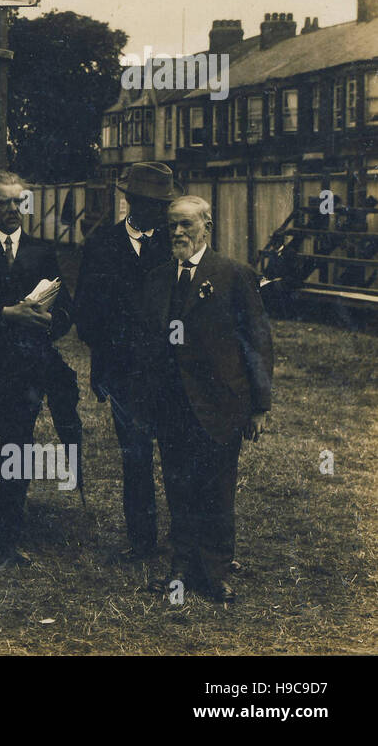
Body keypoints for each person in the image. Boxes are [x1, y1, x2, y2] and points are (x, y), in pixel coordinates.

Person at [142, 195, 272, 604]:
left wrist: (259, 405)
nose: (178, 233)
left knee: (217, 487)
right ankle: (181, 565)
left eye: (186, 225)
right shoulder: (159, 278)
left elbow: (257, 343)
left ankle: (215, 571)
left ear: (206, 226)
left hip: (220, 404)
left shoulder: (234, 276)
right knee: (178, 485)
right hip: (172, 405)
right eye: (172, 226)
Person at [0, 171, 75, 567]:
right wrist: (8, 313)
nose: (12, 209)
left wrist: (46, 322)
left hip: (25, 374)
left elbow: (66, 313)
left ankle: (7, 544)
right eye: (3, 202)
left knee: (16, 458)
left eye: (18, 202)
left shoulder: (42, 253)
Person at [74, 163, 177, 559]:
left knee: (176, 455)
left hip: (171, 372)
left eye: (162, 205)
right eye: (149, 203)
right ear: (130, 201)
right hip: (122, 374)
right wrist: (112, 353)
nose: (157, 212)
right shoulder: (101, 245)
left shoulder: (174, 244)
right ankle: (142, 542)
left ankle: (184, 539)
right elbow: (85, 314)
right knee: (135, 456)